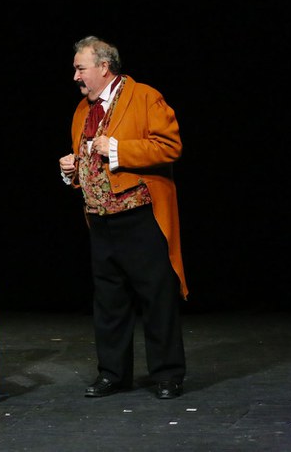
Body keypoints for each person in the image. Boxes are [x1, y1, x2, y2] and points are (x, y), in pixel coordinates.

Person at [59, 36, 187, 400]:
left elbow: (170, 146)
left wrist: (117, 148)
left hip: (139, 215)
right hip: (100, 220)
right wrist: (72, 169)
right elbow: (88, 162)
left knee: (156, 296)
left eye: (80, 69)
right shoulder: (82, 110)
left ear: (104, 67)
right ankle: (113, 374)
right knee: (109, 300)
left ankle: (167, 374)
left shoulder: (145, 97)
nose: (76, 77)